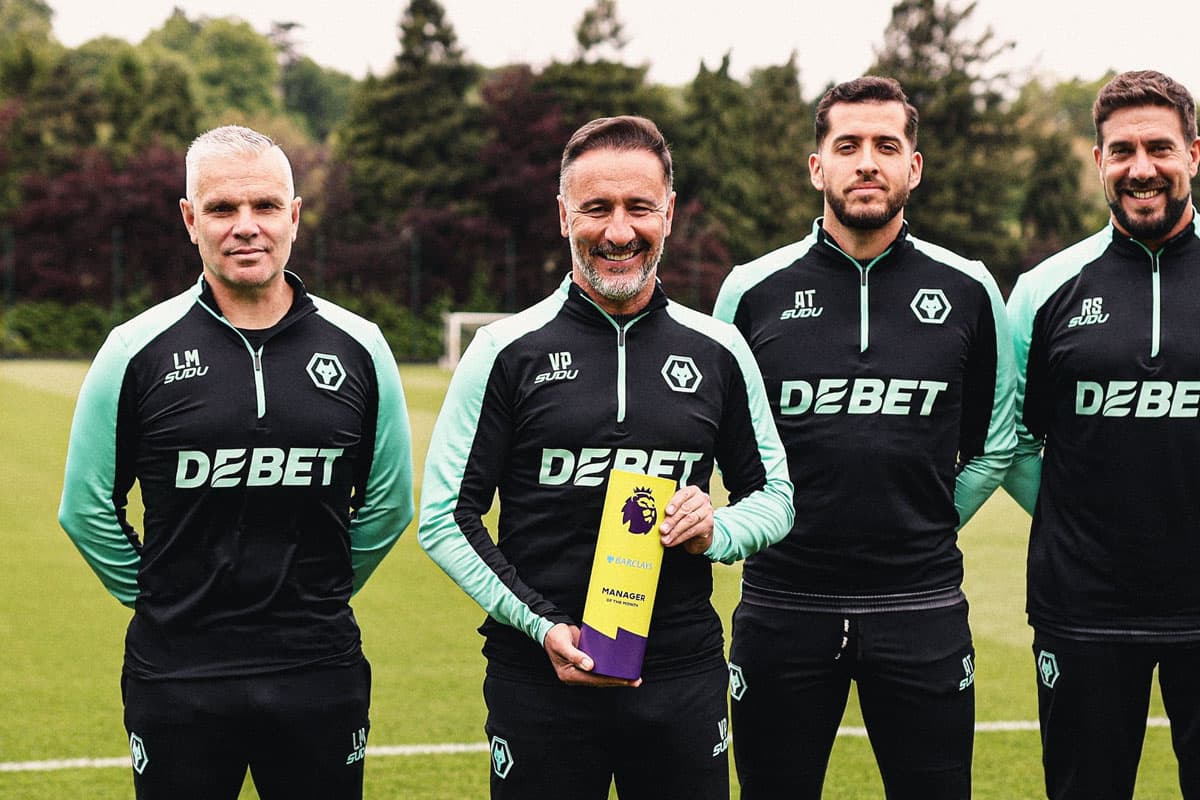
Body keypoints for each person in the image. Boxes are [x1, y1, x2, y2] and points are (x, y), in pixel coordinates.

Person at [418, 115, 794, 799]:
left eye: (638, 207)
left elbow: (775, 497)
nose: (619, 231)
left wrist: (718, 530)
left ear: (669, 213)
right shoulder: (504, 351)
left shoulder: (718, 351)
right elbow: (444, 517)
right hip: (538, 675)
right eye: (597, 208)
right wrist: (541, 625)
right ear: (564, 215)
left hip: (681, 674)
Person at [58, 125, 414, 800]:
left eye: (265, 206)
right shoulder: (134, 350)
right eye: (222, 209)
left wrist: (315, 592)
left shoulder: (362, 347)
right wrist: (166, 600)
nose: (245, 227)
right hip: (178, 673)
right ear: (191, 220)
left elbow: (391, 502)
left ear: (295, 217)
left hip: (317, 665)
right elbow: (85, 507)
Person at [713, 76, 1016, 799]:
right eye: (847, 145)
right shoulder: (750, 291)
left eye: (887, 145)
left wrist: (923, 519)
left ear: (914, 166)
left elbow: (993, 445)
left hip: (921, 607)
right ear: (817, 166)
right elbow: (722, 447)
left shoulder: (970, 289)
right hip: (782, 605)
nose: (867, 162)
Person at [1004, 69, 1200, 800]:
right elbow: (1013, 441)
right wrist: (1081, 519)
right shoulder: (1042, 289)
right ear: (1098, 162)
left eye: (1159, 147)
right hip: (1082, 606)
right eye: (1122, 151)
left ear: (1194, 154)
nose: (1141, 168)